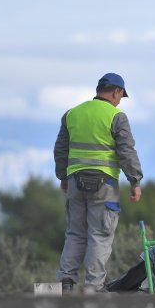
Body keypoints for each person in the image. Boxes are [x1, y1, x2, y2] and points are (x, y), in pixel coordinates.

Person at [53, 73, 143, 293]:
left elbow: (61, 150)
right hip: (104, 184)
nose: (120, 101)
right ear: (116, 92)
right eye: (121, 96)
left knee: (75, 233)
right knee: (100, 235)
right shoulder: (116, 116)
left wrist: (63, 177)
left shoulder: (72, 114)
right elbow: (126, 151)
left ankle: (66, 282)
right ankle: (93, 287)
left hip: (75, 181)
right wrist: (135, 181)